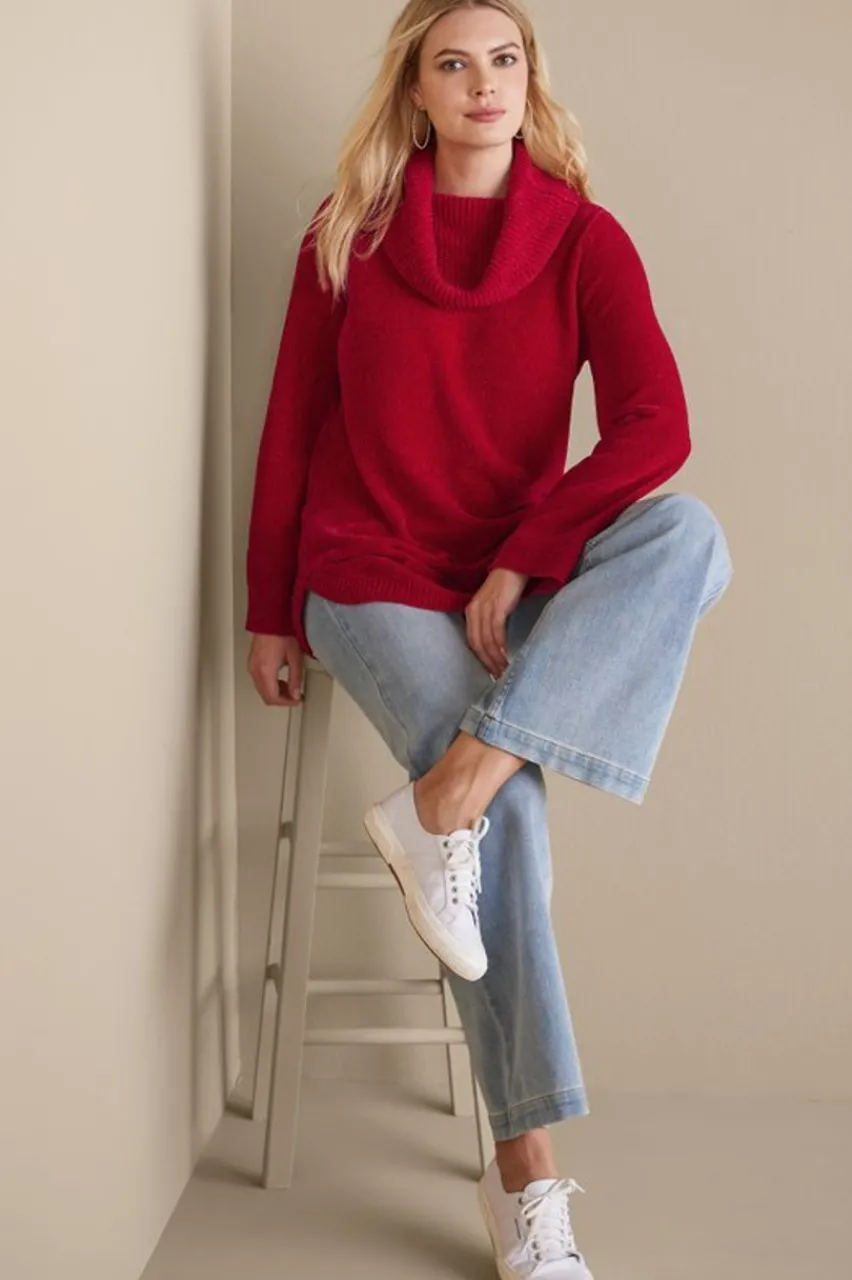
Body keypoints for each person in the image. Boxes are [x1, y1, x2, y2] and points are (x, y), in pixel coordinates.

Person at [245, 1, 733, 1275]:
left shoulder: (583, 239)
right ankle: (527, 1183)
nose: (482, 84)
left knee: (690, 537)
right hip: (368, 573)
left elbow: (658, 424)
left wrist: (527, 552)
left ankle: (447, 794)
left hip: (505, 582)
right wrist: (267, 606)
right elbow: (291, 425)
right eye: (452, 63)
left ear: (530, 78)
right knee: (508, 811)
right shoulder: (351, 232)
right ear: (416, 90)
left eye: (502, 60)